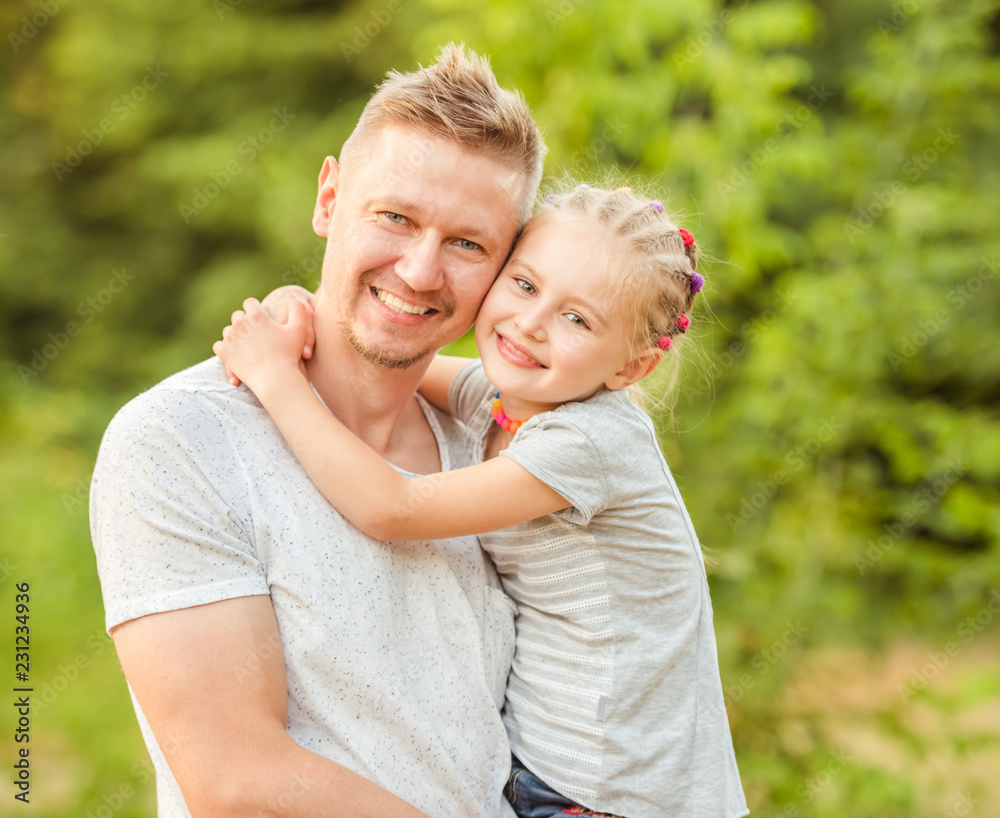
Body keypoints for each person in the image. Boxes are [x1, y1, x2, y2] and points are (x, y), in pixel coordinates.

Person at [89, 43, 546, 818]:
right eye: (395, 218)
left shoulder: (496, 450)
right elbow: (238, 783)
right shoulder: (178, 443)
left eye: (468, 243)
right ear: (330, 198)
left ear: (507, 262)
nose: (420, 271)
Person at [214, 183, 750, 818]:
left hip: (617, 796)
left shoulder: (590, 440)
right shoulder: (505, 400)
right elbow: (384, 360)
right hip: (546, 773)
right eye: (524, 285)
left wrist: (276, 377)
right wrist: (291, 314)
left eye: (577, 319)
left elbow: (394, 509)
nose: (530, 323)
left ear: (629, 369)